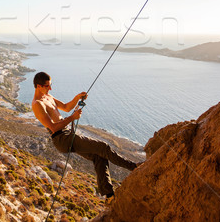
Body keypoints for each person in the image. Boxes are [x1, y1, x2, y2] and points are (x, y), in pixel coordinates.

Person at [31, 71, 139, 202]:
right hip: (61, 139)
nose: (50, 88)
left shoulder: (48, 97)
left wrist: (77, 97)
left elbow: (65, 107)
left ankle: (109, 196)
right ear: (38, 86)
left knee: (99, 157)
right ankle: (134, 167)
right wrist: (72, 117)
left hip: (67, 134)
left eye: (50, 85)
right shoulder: (37, 104)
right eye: (47, 86)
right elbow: (53, 128)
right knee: (103, 147)